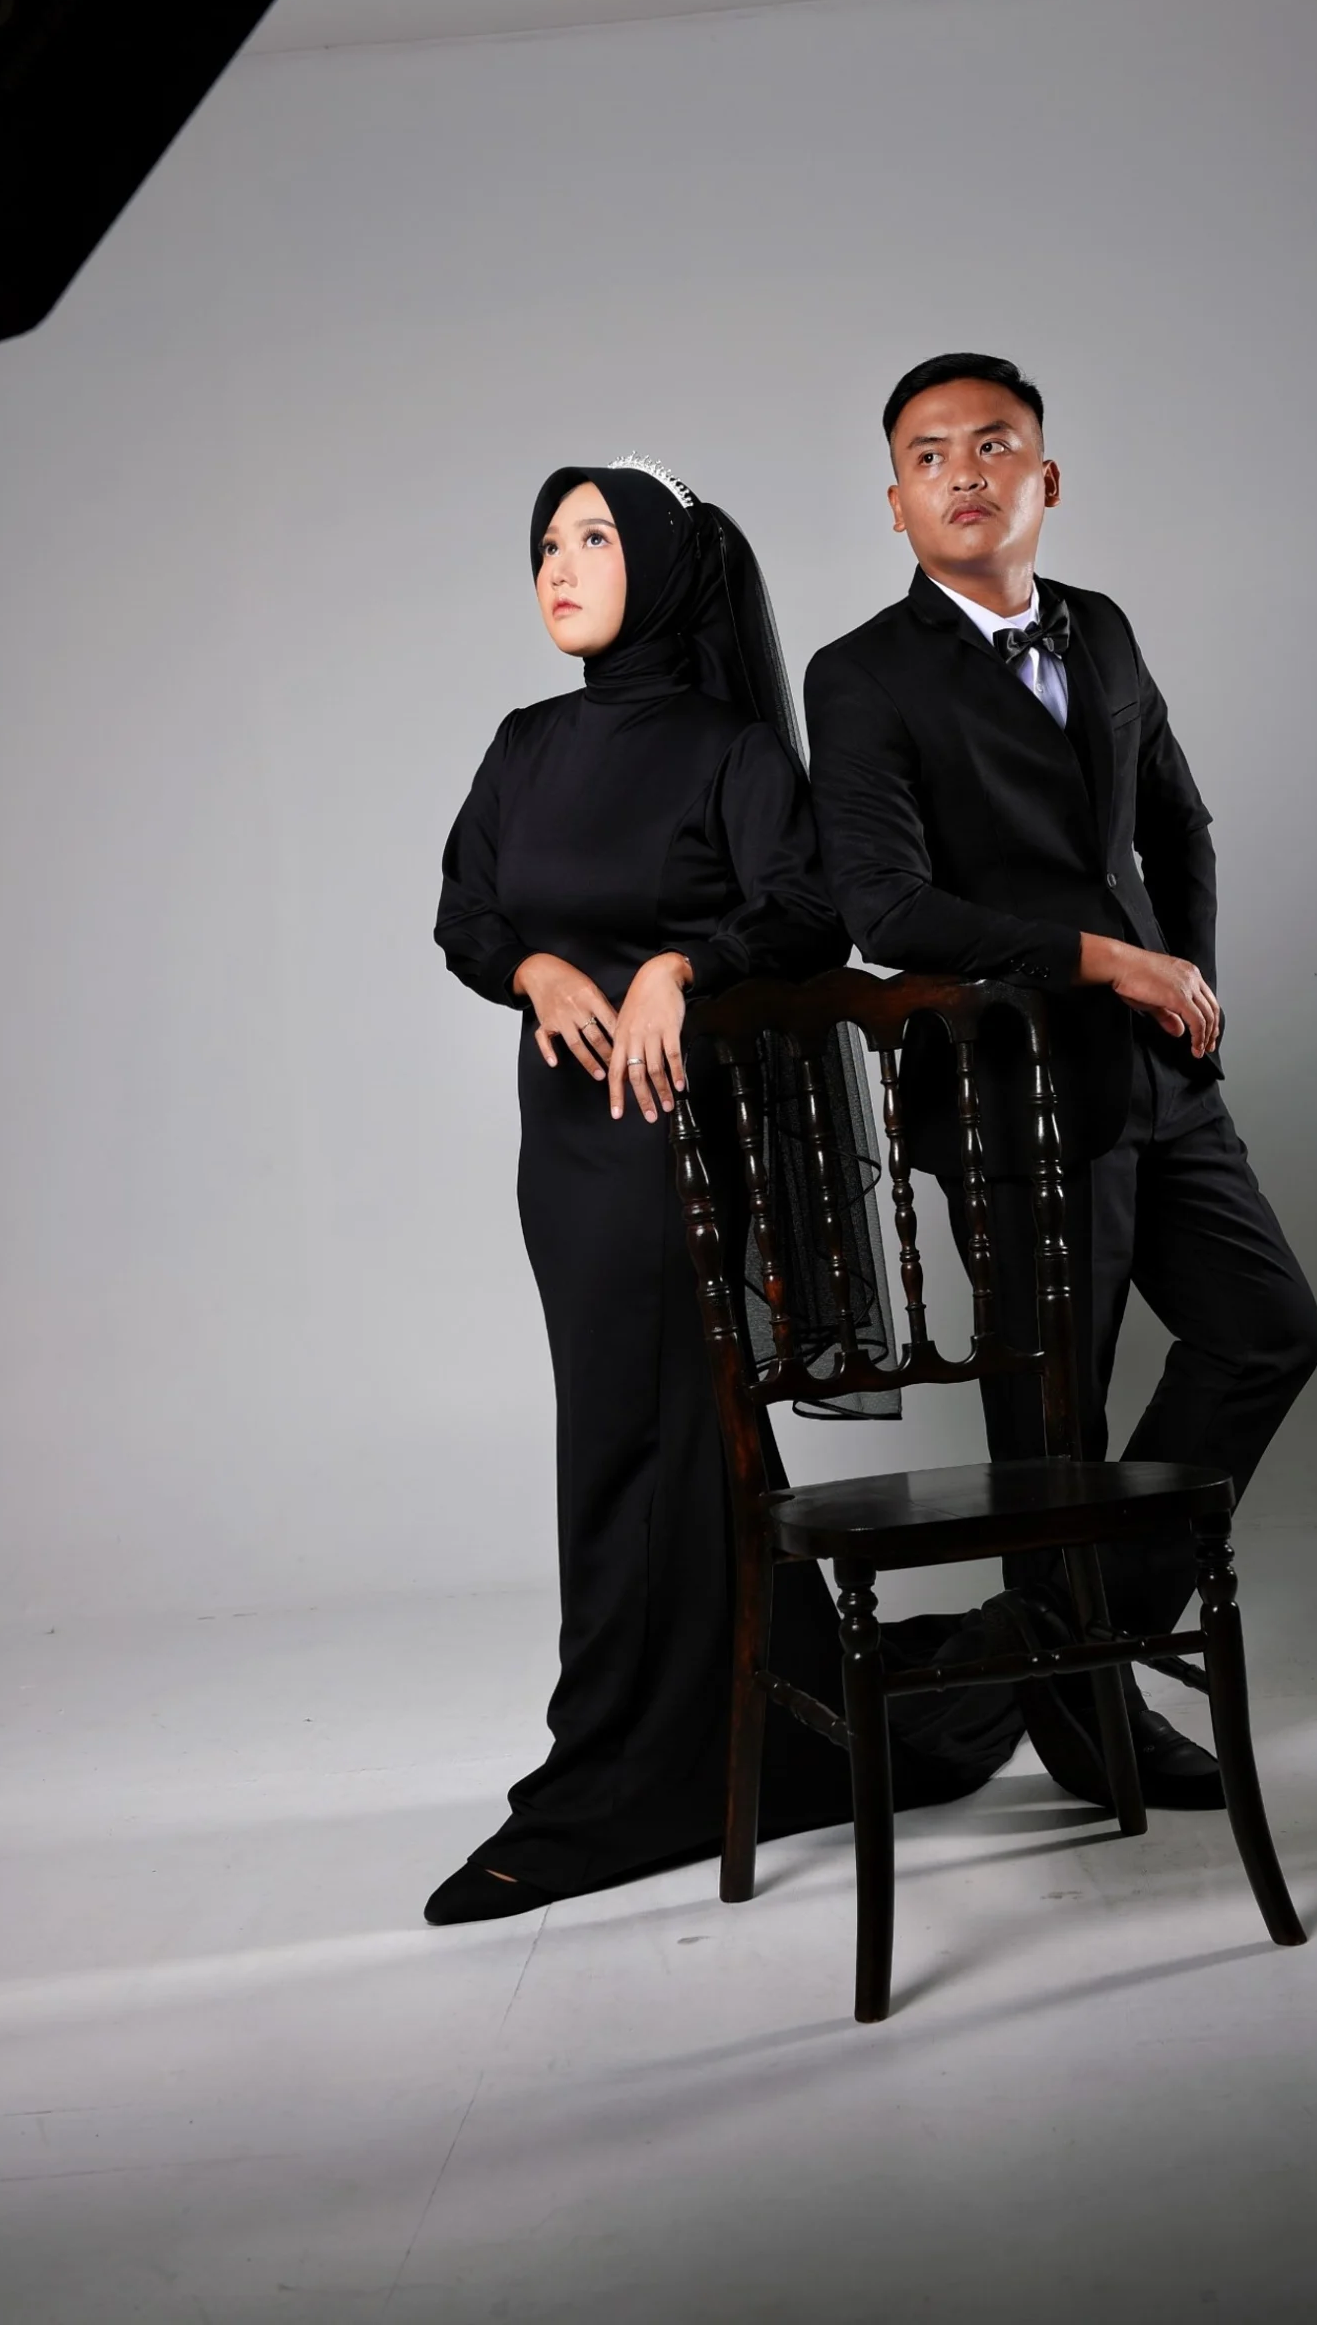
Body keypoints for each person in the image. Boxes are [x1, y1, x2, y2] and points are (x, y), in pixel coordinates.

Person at [426, 454, 1020, 1925]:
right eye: (545, 543)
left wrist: (680, 970)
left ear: (665, 565)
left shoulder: (732, 754)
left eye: (592, 538)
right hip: (563, 1150)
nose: (558, 565)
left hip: (676, 1140)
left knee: (638, 1446)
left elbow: (809, 911)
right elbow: (466, 910)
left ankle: (615, 1782)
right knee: (642, 1441)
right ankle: (738, 1732)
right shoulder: (523, 744)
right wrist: (538, 967)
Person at [803, 356, 1317, 1810]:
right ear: (895, 505)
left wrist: (1188, 984)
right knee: (1056, 1432)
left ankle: (1050, 1651)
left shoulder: (1102, 629)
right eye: (929, 456)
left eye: (994, 445)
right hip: (1010, 1099)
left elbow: (1180, 824)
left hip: (1164, 1075)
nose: (964, 473)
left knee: (1268, 1332)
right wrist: (1110, 962)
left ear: (1047, 478)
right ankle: (1092, 1715)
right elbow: (887, 908)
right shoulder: (860, 675)